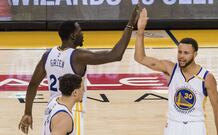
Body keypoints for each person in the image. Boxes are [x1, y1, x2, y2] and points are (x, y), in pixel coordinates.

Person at [18, 4, 140, 135]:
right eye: (79, 32)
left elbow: (33, 84)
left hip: (52, 109)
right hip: (71, 110)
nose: (82, 34)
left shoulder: (48, 55)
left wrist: (27, 112)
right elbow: (115, 55)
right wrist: (130, 25)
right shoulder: (77, 56)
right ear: (72, 36)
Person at [134, 8, 218, 135]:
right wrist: (141, 30)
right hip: (173, 125)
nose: (181, 56)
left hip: (196, 126)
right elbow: (140, 58)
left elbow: (217, 109)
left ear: (195, 54)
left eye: (186, 53)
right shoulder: (170, 69)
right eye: (179, 52)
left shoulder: (207, 77)